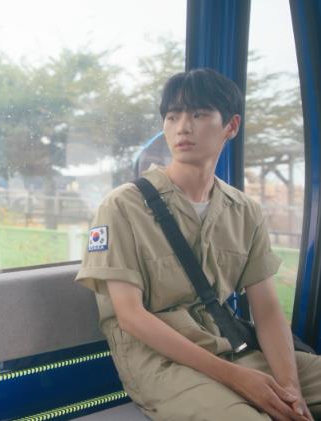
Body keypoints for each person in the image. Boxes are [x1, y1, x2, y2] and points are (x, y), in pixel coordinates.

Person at [75, 68, 321, 420]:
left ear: (231, 126)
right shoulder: (123, 206)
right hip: (160, 362)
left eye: (199, 114)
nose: (182, 127)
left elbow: (267, 309)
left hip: (231, 344)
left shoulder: (243, 211)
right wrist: (237, 378)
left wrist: (290, 387)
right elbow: (131, 316)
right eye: (172, 116)